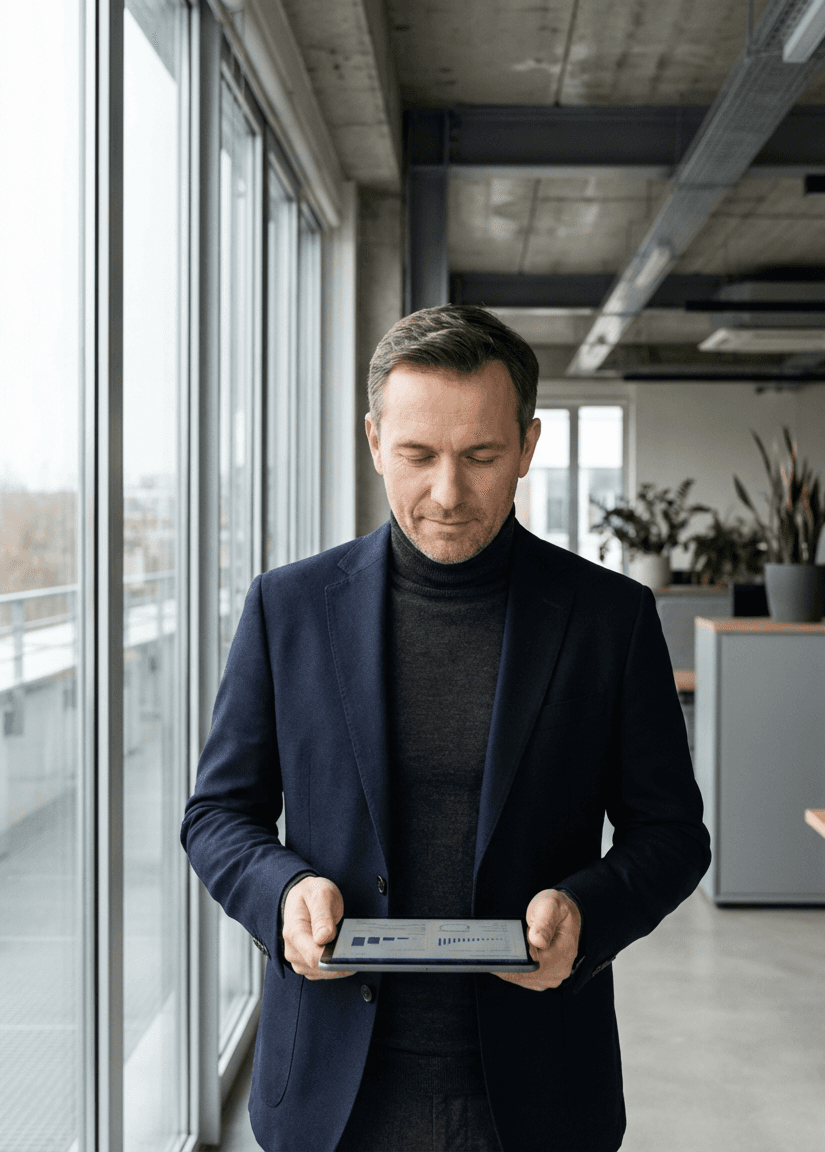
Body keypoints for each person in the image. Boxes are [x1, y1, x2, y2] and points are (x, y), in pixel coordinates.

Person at [181, 304, 711, 1152]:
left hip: (539, 1089)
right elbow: (217, 815)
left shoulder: (611, 618)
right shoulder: (287, 608)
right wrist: (280, 893)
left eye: (482, 457)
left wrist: (585, 912)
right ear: (373, 440)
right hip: (329, 1091)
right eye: (417, 456)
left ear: (528, 447)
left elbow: (672, 835)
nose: (447, 493)